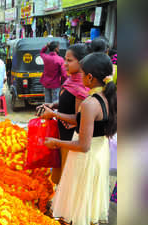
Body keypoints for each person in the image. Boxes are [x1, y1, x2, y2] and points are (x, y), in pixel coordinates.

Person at [41, 53, 116, 225]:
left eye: (83, 74)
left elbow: (83, 145)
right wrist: (55, 113)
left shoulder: (90, 104)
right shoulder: (106, 97)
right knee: (87, 203)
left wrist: (56, 142)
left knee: (76, 205)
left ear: (90, 77)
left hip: (85, 158)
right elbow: (82, 120)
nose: (81, 77)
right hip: (99, 153)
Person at [37, 43, 89, 184]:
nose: (64, 64)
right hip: (62, 135)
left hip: (71, 139)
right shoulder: (70, 80)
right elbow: (67, 103)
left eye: (69, 60)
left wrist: (54, 114)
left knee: (68, 179)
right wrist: (53, 105)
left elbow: (80, 120)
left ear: (82, 62)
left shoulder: (82, 87)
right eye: (65, 59)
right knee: (59, 176)